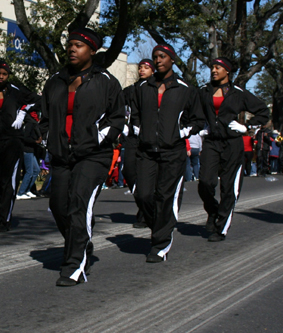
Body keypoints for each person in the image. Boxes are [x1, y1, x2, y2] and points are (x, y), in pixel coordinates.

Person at [40, 28, 124, 286]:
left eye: (79, 45)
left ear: (92, 50)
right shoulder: (55, 81)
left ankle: (74, 265)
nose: (72, 49)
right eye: (70, 44)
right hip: (62, 155)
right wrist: (46, 138)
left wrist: (99, 137)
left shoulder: (106, 81)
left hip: (93, 155)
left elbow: (118, 117)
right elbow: (43, 117)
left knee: (79, 204)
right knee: (58, 206)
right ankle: (81, 241)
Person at [131, 43, 204, 262]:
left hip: (173, 151)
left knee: (165, 196)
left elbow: (198, 119)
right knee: (143, 194)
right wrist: (137, 127)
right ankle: (161, 225)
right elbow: (134, 111)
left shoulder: (185, 89)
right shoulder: (143, 87)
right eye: (155, 57)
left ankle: (161, 243)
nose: (158, 60)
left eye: (163, 56)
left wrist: (182, 131)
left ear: (172, 59)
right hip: (146, 151)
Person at [197, 57, 270, 242]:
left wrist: (247, 126)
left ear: (227, 72)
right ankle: (213, 211)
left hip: (232, 143)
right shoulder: (203, 91)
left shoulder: (238, 92)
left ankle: (221, 227)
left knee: (229, 187)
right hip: (211, 141)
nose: (214, 70)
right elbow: (193, 111)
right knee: (205, 182)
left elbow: (263, 111)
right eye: (212, 67)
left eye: (218, 67)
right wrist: (201, 125)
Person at [0, 61, 40, 231]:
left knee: (9, 181)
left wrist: (22, 113)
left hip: (14, 139)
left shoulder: (17, 90)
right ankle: (4, 205)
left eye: (4, 74)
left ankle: (5, 220)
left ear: (8, 75)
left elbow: (36, 100)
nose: (1, 76)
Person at [122, 59, 155, 228]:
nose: (142, 70)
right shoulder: (131, 90)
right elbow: (116, 104)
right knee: (128, 170)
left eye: (146, 68)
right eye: (140, 67)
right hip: (132, 137)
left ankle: (145, 211)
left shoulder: (155, 88)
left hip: (148, 136)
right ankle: (143, 205)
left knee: (145, 176)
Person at [16, 113, 43, 199]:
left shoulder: (32, 124)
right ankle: (21, 192)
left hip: (31, 150)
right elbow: (26, 137)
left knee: (36, 170)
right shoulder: (30, 124)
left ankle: (27, 190)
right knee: (29, 171)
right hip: (27, 150)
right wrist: (35, 141)